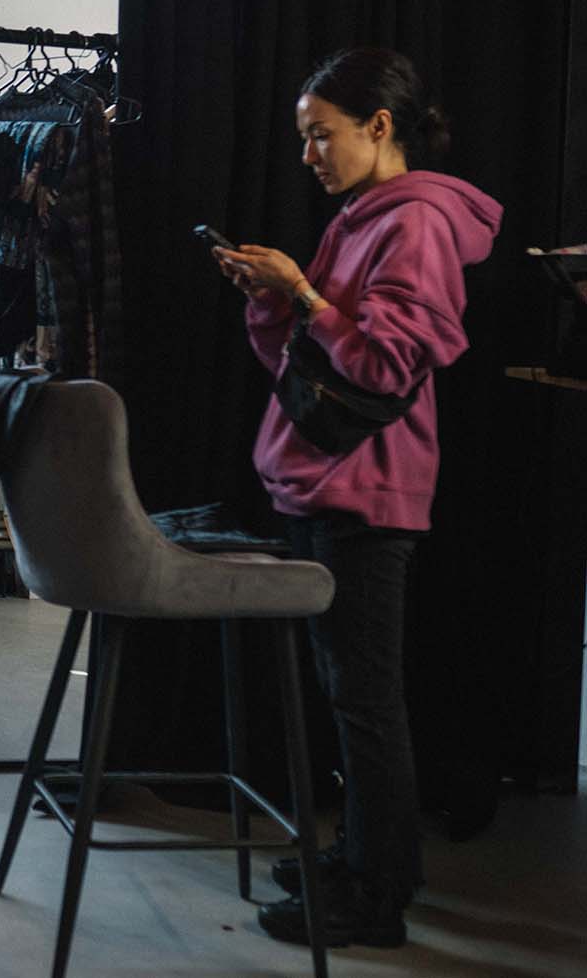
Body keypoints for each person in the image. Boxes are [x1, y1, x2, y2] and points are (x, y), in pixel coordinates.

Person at [216, 48, 501, 950]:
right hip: (323, 479)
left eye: (320, 135)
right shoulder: (361, 217)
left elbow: (383, 364)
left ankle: (376, 896)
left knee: (364, 700)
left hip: (366, 490)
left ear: (378, 127)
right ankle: (361, 861)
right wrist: (275, 300)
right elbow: (306, 368)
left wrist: (301, 291)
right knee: (348, 694)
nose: (308, 155)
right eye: (302, 138)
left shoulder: (414, 222)